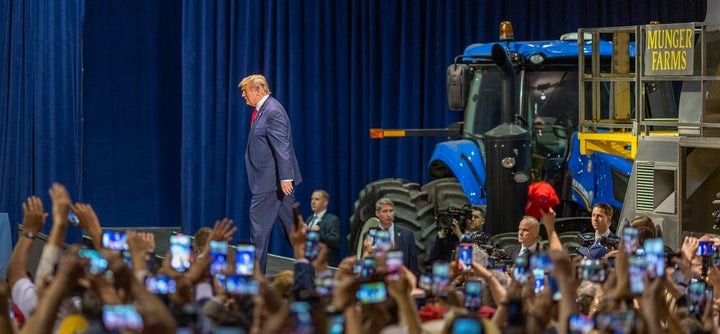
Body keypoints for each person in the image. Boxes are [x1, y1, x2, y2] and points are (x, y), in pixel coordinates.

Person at [240, 74, 302, 273]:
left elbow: (282, 147)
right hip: (272, 182)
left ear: (258, 91)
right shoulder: (263, 110)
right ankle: (310, 270)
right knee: (293, 231)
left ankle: (254, 280)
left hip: (271, 183)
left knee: (258, 231)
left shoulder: (273, 111)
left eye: (246, 91)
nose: (243, 95)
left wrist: (285, 178)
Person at [362, 198, 420, 277]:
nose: (389, 215)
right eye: (385, 211)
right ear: (377, 213)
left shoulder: (407, 234)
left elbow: (413, 265)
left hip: (401, 281)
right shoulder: (368, 235)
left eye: (391, 211)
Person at [306, 189, 341, 266]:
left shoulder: (332, 220)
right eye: (312, 199)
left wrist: (319, 232)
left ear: (325, 202)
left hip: (324, 264)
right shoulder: (309, 219)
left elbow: (335, 241)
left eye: (317, 199)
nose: (313, 202)